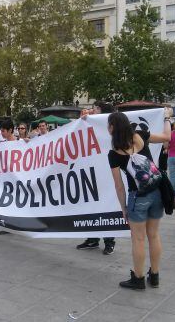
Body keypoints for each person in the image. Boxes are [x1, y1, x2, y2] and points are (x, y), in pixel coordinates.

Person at [108, 109, 172, 290]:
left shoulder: (114, 154)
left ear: (112, 127)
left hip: (138, 197)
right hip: (158, 192)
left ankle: (138, 278)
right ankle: (155, 275)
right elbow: (167, 136)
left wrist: (124, 208)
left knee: (138, 239)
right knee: (153, 235)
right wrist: (167, 117)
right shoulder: (140, 136)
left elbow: (119, 185)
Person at [77, 103, 117, 255]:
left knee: (107, 206)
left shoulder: (110, 127)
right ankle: (92, 238)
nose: (93, 110)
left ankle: (109, 241)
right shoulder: (90, 124)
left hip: (106, 174)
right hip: (91, 174)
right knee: (91, 206)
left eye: (96, 109)